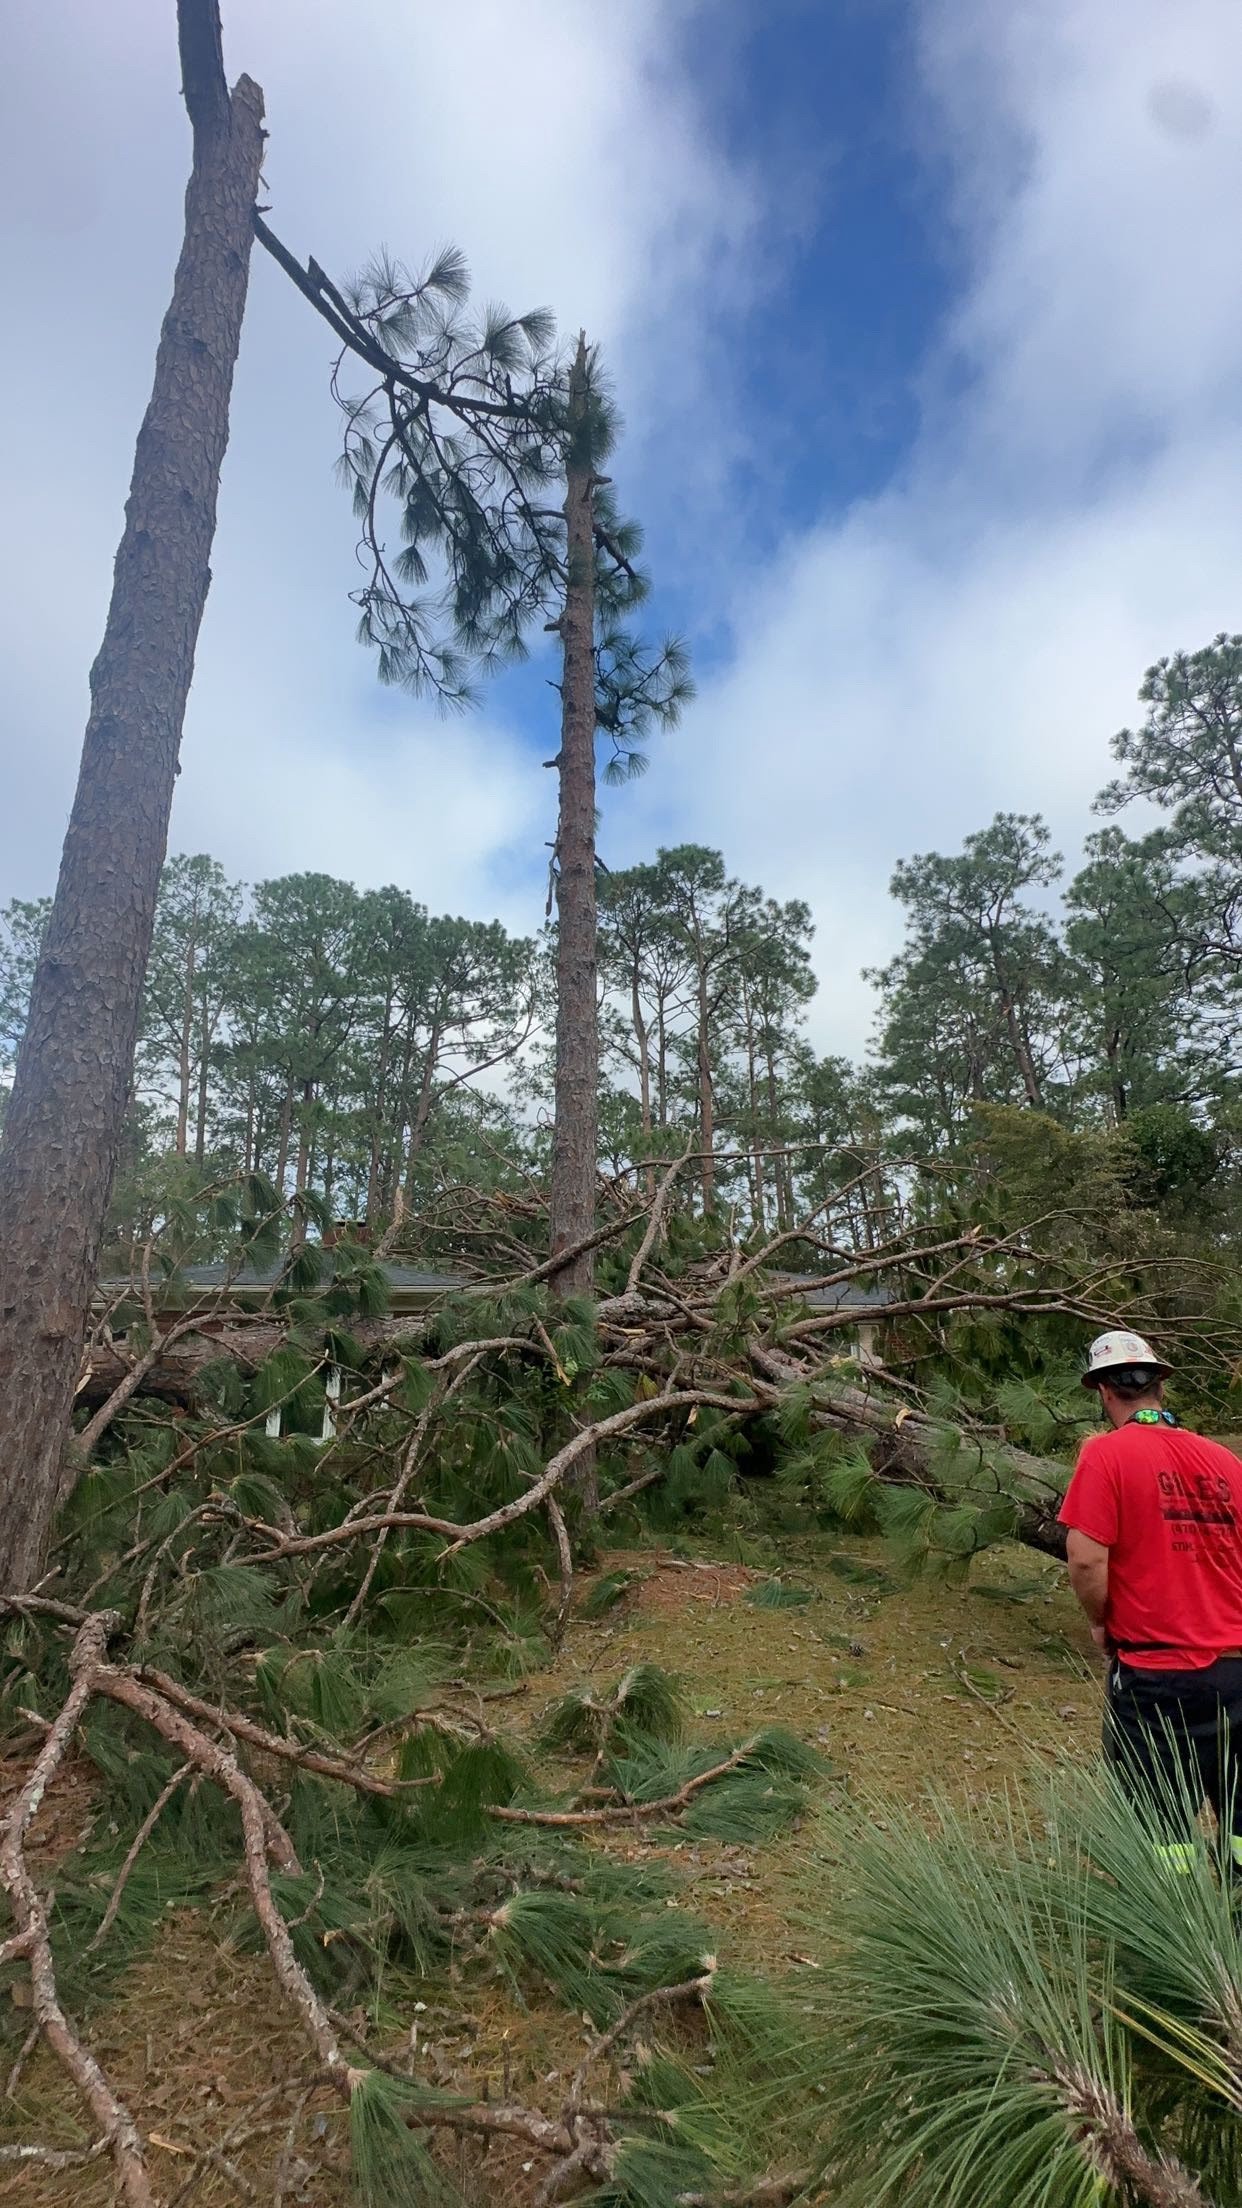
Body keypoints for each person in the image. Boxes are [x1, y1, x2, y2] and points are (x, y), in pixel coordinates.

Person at [1059, 1329, 1242, 1872]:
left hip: (1158, 1674)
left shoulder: (1106, 1457)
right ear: (1160, 1385)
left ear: (1102, 1391)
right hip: (1237, 1670)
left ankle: (1175, 1927)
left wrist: (1099, 1623)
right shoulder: (1224, 1462)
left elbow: (1087, 1560)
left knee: (1160, 1817)